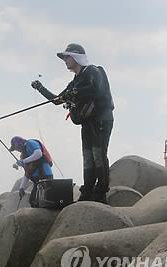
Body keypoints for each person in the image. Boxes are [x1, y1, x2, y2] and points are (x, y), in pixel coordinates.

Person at [31, 43, 114, 203]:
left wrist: (75, 93)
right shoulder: (75, 80)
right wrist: (40, 88)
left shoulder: (94, 71)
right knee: (88, 157)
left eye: (67, 57)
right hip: (87, 123)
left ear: (77, 57)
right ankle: (87, 191)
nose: (65, 60)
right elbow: (57, 100)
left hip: (101, 120)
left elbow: (96, 89)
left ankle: (101, 192)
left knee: (99, 155)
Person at [9, 136, 54, 207]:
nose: (17, 150)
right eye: (15, 149)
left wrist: (24, 161)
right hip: (37, 181)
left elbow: (38, 154)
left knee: (47, 198)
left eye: (16, 147)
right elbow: (27, 173)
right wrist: (22, 187)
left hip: (45, 176)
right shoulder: (23, 156)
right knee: (33, 200)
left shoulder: (31, 143)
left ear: (20, 143)